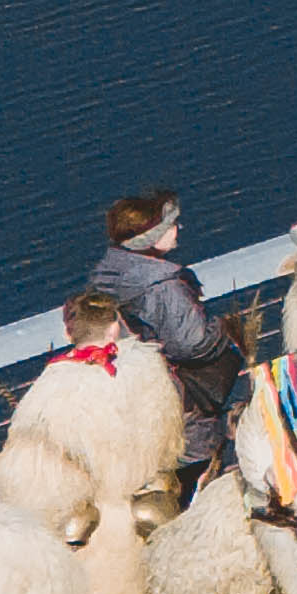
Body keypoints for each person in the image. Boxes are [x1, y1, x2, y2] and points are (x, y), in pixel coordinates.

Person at [83, 189, 238, 456]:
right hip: (178, 407)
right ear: (151, 237)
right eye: (170, 225)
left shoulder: (107, 279)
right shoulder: (163, 286)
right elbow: (191, 345)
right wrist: (225, 328)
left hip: (132, 401)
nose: (178, 228)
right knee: (198, 465)